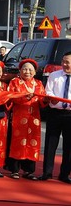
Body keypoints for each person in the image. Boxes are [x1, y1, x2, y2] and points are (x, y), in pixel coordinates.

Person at [6, 59, 45, 179]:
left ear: (34, 72)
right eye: (24, 69)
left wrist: (46, 100)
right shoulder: (15, 82)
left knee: (33, 141)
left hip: (34, 118)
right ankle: (15, 170)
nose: (27, 71)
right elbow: (10, 97)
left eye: (30, 69)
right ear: (20, 70)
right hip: (19, 116)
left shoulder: (38, 83)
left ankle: (29, 170)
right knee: (18, 141)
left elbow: (42, 100)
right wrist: (25, 97)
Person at [41, 51, 71, 183]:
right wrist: (51, 98)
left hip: (70, 115)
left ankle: (64, 174)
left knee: (69, 146)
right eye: (63, 61)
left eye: (68, 62)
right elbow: (48, 90)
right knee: (50, 143)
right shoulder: (54, 75)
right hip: (55, 113)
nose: (65, 64)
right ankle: (46, 172)